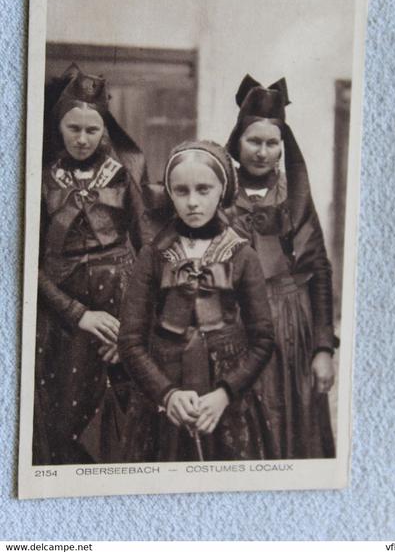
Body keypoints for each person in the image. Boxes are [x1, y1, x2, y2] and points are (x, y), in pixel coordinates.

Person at [118, 140, 275, 462]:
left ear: (222, 191)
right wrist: (167, 394)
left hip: (227, 406)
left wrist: (225, 394)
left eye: (204, 190)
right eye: (181, 191)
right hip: (165, 404)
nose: (192, 202)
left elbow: (263, 340)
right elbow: (130, 341)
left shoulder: (243, 255)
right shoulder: (153, 256)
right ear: (170, 194)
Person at [33, 64, 149, 464]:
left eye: (91, 129)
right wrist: (77, 314)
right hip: (61, 325)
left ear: (104, 131)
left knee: (120, 429)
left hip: (118, 317)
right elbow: (26, 264)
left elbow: (150, 254)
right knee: (62, 426)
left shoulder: (123, 177)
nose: (82, 139)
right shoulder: (40, 180)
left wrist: (131, 331)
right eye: (73, 128)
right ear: (58, 126)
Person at [225, 75, 338, 458]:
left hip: (291, 327)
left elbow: (319, 269)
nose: (262, 152)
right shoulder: (218, 192)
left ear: (282, 146)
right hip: (234, 325)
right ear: (237, 141)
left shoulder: (296, 196)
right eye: (253, 141)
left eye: (272, 143)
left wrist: (323, 348)